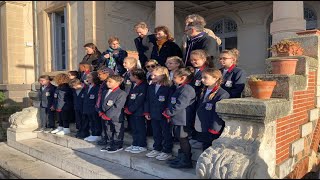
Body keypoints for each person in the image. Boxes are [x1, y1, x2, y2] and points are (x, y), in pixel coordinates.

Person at [162, 67, 196, 169]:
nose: (173, 79)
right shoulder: (181, 87)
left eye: (175, 77)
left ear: (183, 78)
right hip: (177, 118)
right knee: (180, 139)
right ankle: (181, 157)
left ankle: (186, 160)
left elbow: (181, 104)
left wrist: (169, 113)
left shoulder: (188, 89)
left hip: (183, 119)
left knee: (183, 139)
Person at [195, 68, 230, 151]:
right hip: (203, 124)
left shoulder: (222, 94)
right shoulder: (204, 90)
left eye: (205, 77)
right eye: (202, 77)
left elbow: (218, 114)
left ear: (215, 78)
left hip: (212, 127)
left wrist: (215, 128)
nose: (202, 80)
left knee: (210, 149)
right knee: (205, 147)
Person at [144, 66, 173, 161]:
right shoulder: (151, 86)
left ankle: (167, 151)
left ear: (163, 75)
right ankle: (157, 148)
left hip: (164, 114)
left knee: (166, 132)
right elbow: (147, 100)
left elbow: (170, 101)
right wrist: (147, 111)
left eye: (155, 75)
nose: (153, 77)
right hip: (153, 113)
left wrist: (168, 113)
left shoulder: (169, 87)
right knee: (156, 132)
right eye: (152, 75)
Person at [99, 75, 127, 153]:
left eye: (110, 81)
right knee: (108, 129)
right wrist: (101, 112)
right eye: (107, 81)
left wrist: (108, 115)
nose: (107, 83)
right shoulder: (105, 92)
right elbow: (102, 103)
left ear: (117, 83)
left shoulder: (121, 93)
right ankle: (110, 143)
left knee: (117, 130)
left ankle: (118, 145)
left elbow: (117, 106)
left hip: (115, 116)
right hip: (105, 115)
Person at [124, 69, 148, 154]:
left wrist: (131, 109)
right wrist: (127, 108)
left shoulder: (144, 86)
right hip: (132, 111)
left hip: (139, 111)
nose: (129, 77)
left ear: (136, 76)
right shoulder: (134, 85)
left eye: (131, 75)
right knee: (134, 128)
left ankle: (141, 145)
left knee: (140, 128)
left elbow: (139, 100)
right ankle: (135, 143)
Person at [95, 66, 115, 146]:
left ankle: (109, 140)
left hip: (107, 107)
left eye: (100, 74)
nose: (98, 76)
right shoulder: (103, 83)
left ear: (107, 74)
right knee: (103, 124)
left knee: (109, 126)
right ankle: (104, 138)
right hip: (101, 107)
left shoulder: (108, 84)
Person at [82, 72, 102, 142]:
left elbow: (97, 99)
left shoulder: (97, 87)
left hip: (94, 108)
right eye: (87, 77)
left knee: (96, 121)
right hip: (88, 108)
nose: (88, 79)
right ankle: (93, 133)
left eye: (89, 77)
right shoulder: (88, 87)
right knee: (91, 121)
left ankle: (97, 134)